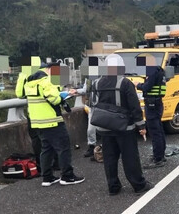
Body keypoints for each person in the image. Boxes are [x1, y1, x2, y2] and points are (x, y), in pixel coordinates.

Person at [92, 54, 153, 196]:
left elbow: (93, 104)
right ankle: (139, 185)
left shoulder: (96, 83)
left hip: (104, 127)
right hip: (124, 127)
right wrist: (141, 126)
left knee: (109, 158)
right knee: (130, 157)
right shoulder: (125, 83)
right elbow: (134, 106)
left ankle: (113, 186)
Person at [20, 61, 84, 187]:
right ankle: (67, 176)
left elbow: (27, 96)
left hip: (37, 122)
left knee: (46, 149)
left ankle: (47, 177)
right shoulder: (46, 81)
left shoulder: (30, 82)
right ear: (51, 69)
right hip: (52, 121)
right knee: (63, 148)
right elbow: (55, 99)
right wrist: (66, 95)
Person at [136, 60, 167, 169]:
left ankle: (158, 158)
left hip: (152, 104)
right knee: (159, 129)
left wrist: (138, 85)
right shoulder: (160, 71)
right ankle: (161, 155)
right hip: (158, 103)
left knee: (154, 132)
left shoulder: (153, 72)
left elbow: (147, 87)